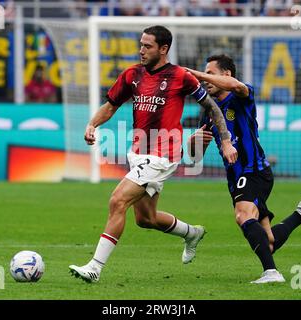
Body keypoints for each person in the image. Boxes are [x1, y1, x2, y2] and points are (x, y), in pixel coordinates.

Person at [69, 25, 237, 283]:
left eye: (147, 46)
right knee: (145, 219)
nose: (141, 50)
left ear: (163, 49)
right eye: (141, 44)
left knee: (117, 201)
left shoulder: (181, 76)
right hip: (138, 152)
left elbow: (213, 107)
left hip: (164, 153)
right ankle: (191, 233)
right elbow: (111, 105)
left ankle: (95, 267)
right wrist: (93, 124)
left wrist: (225, 140)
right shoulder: (132, 75)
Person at [186, 54, 301, 284]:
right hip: (235, 178)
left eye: (210, 74)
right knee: (268, 243)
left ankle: (271, 273)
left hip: (254, 171)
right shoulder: (209, 111)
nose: (206, 80)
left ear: (226, 74)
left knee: (243, 215)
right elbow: (194, 157)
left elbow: (236, 86)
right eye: (204, 74)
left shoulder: (241, 96)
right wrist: (193, 141)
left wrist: (195, 74)